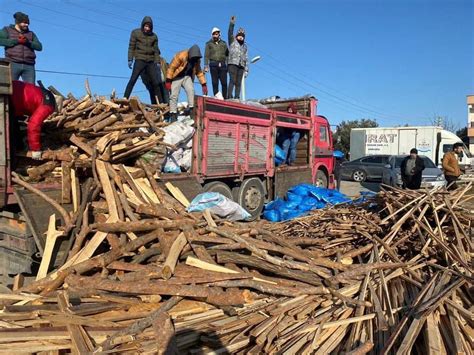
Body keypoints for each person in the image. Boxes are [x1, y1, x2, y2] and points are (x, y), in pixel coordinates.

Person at [10, 80, 63, 160]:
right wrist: (35, 150)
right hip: (10, 97)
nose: (51, 113)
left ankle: (19, 148)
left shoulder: (44, 93)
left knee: (14, 128)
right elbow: (34, 125)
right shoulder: (48, 105)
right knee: (9, 133)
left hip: (12, 90)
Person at [124, 16, 162, 104]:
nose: (147, 28)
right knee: (133, 79)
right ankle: (125, 98)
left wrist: (157, 62)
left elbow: (156, 50)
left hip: (150, 61)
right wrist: (130, 59)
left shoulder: (154, 36)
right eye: (146, 26)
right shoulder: (135, 33)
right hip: (139, 59)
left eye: (149, 27)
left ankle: (160, 103)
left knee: (156, 83)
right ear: (143, 25)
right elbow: (131, 47)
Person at [165, 45, 208, 122]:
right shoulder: (181, 55)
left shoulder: (197, 60)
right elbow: (171, 67)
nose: (194, 60)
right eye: (193, 58)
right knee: (174, 95)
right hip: (176, 76)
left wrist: (203, 84)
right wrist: (168, 80)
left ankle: (192, 110)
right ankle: (173, 114)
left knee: (191, 91)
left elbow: (199, 72)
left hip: (187, 77)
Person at [0, 12, 42, 83]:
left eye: (28, 23)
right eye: (24, 22)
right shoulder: (7, 30)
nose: (27, 24)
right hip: (12, 63)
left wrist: (27, 42)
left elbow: (39, 47)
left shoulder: (31, 34)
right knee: (10, 87)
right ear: (18, 22)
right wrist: (17, 41)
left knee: (31, 88)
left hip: (29, 65)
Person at [227, 16, 248, 99]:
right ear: (237, 36)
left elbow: (246, 58)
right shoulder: (232, 41)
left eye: (242, 36)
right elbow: (229, 32)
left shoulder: (245, 46)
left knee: (238, 83)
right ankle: (229, 96)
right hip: (232, 63)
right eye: (239, 35)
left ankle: (236, 97)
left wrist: (246, 70)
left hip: (241, 65)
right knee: (232, 80)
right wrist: (232, 23)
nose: (241, 37)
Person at [204, 27, 229, 99]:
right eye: (213, 34)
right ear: (211, 35)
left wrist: (227, 65)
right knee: (215, 83)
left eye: (216, 34)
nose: (215, 35)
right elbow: (206, 55)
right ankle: (217, 96)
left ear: (219, 34)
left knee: (224, 83)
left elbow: (227, 55)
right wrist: (206, 65)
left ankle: (225, 97)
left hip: (223, 64)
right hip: (213, 64)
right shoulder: (208, 44)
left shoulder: (224, 43)